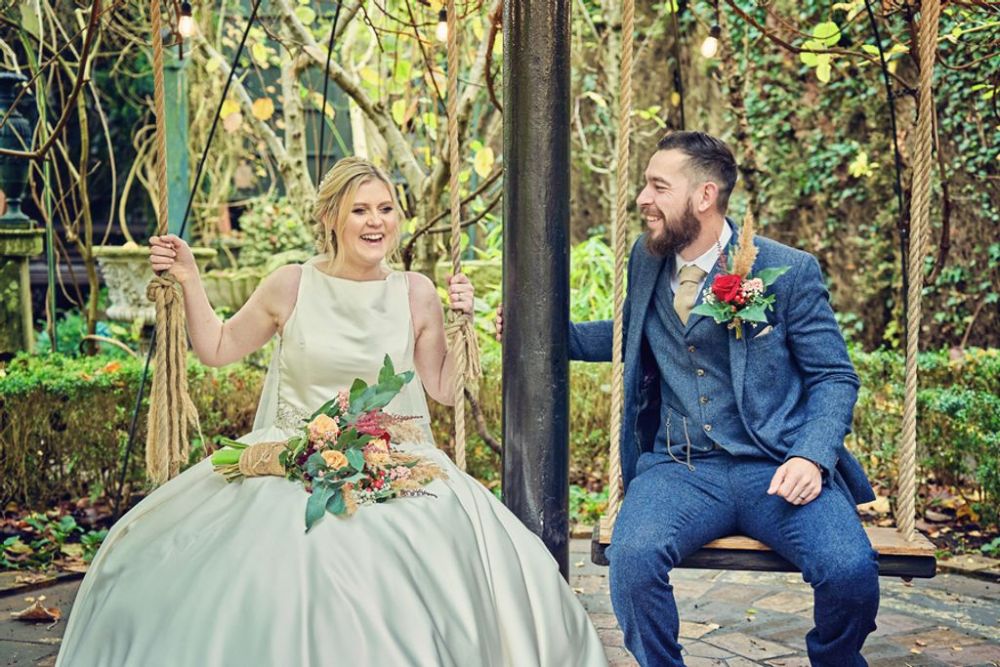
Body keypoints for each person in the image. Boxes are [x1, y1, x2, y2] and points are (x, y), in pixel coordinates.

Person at [57, 157, 607, 667]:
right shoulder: (291, 284)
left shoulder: (415, 293)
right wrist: (190, 278)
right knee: (277, 558)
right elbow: (219, 348)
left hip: (396, 459)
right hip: (291, 458)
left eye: (386, 209)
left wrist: (466, 327)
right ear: (330, 218)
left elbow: (441, 389)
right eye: (360, 211)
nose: (376, 223)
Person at [497, 131, 880, 666]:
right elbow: (628, 333)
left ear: (704, 196)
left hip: (776, 465)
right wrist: (533, 331)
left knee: (850, 571)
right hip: (681, 467)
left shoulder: (788, 271)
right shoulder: (648, 259)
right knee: (631, 561)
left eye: (658, 186)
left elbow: (835, 376)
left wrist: (810, 456)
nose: (643, 200)